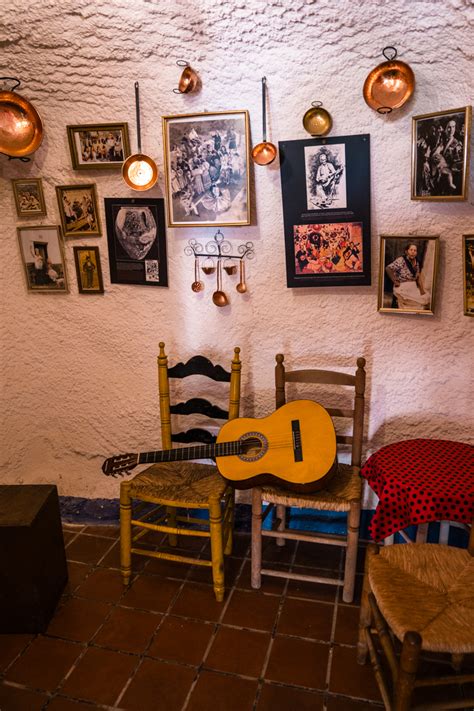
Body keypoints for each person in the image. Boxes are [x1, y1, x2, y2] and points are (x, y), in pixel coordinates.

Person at [385, 242, 430, 309]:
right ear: (406, 251)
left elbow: (418, 277)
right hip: (403, 286)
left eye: (415, 250)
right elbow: (388, 268)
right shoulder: (401, 260)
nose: (413, 252)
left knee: (423, 301)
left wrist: (422, 290)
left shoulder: (417, 262)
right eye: (411, 250)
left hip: (413, 287)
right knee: (410, 304)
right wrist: (395, 281)